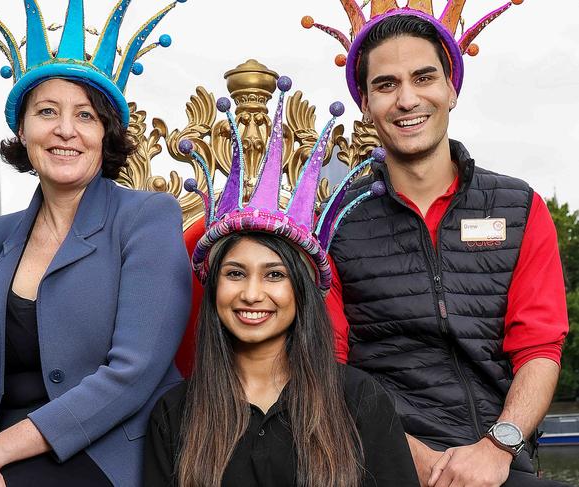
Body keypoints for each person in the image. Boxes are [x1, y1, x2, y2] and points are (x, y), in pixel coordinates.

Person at [302, 3, 569, 487]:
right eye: (386, 85)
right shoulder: (335, 222)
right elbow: (325, 366)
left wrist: (497, 446)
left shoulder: (520, 208)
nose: (407, 100)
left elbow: (538, 348)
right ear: (364, 103)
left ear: (451, 88)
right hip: (375, 454)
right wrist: (406, 455)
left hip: (500, 456)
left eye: (423, 77)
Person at [0, 1, 189, 486]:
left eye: (86, 116)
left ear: (105, 133)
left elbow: (131, 375)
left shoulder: (147, 218)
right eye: (47, 112)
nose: (65, 131)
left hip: (114, 447)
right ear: (24, 130)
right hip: (0, 449)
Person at [144, 81, 419, 486]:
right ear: (214, 289)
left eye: (274, 274)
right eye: (235, 274)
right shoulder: (174, 415)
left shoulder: (359, 402)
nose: (252, 294)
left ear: (300, 292)